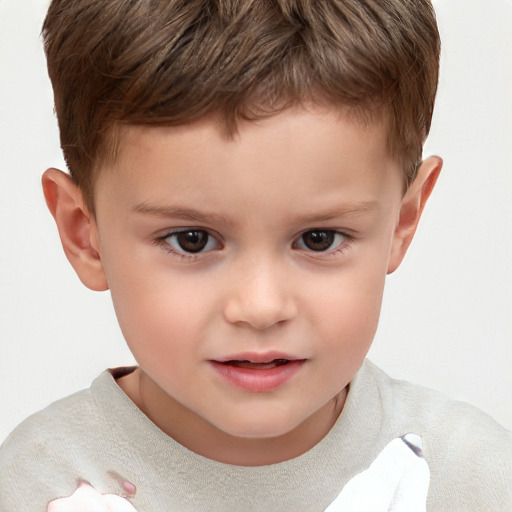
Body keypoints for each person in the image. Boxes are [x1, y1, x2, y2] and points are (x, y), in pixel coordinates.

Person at [0, 0, 510, 510]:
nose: (261, 307)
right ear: (83, 232)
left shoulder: (471, 480)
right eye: (191, 240)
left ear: (402, 221)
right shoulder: (39, 484)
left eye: (319, 239)